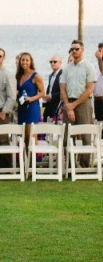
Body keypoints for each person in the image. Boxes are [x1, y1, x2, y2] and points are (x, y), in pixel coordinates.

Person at [60, 40, 95, 168]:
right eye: (72, 49)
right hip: (68, 102)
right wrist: (68, 106)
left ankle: (85, 165)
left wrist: (73, 105)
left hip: (83, 103)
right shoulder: (67, 68)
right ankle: (70, 165)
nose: (74, 51)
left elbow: (90, 89)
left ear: (82, 50)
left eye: (77, 49)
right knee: (67, 135)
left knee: (86, 134)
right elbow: (62, 88)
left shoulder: (89, 67)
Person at [16, 53, 45, 145]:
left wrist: (32, 98)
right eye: (22, 60)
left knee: (31, 136)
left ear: (31, 62)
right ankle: (25, 158)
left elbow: (42, 92)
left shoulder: (36, 76)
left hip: (32, 108)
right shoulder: (19, 76)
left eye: (27, 60)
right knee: (23, 136)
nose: (24, 62)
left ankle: (33, 158)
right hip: (22, 108)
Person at [43, 55, 63, 122]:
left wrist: (51, 96)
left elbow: (63, 92)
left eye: (55, 62)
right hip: (49, 104)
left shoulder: (62, 74)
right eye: (51, 62)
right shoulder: (51, 75)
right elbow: (50, 89)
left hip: (58, 104)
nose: (52, 63)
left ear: (60, 63)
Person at [93, 44, 103, 122]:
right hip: (97, 100)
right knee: (99, 124)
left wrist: (100, 59)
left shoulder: (100, 64)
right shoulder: (96, 66)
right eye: (99, 51)